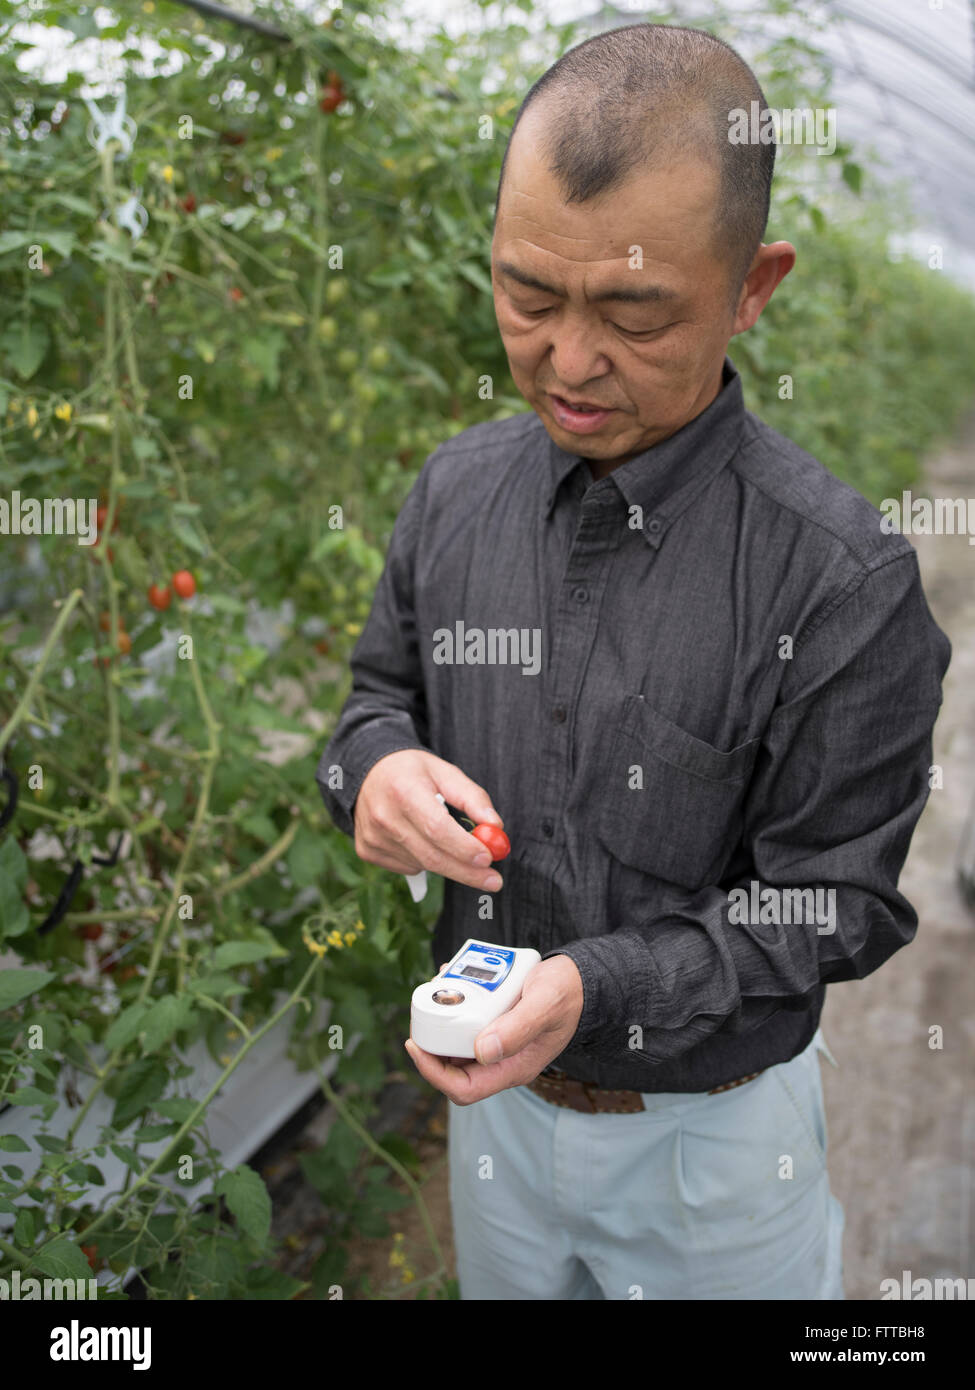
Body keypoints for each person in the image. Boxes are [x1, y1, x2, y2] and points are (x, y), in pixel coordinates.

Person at [315, 21, 951, 1300]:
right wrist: (373, 771)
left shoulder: (838, 582)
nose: (569, 359)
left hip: (708, 1151)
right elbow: (376, 701)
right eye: (528, 296)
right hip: (494, 1118)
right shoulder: (457, 496)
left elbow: (838, 901)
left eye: (635, 312)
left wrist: (594, 985)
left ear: (752, 285)